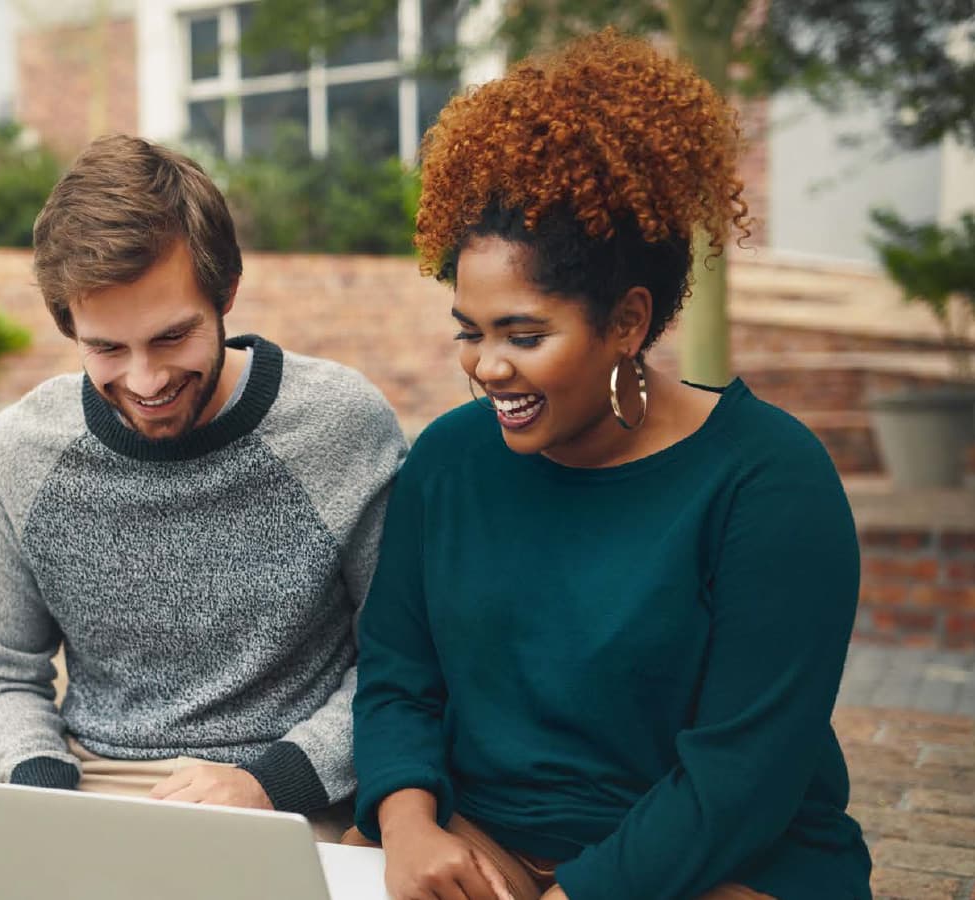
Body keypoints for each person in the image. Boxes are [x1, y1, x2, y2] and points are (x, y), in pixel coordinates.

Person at [350, 30, 871, 900]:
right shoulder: (448, 460)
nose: (486, 367)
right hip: (490, 839)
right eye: (468, 332)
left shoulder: (769, 481)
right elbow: (399, 676)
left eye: (524, 335)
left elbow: (741, 774)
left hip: (720, 864)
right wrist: (406, 825)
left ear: (628, 322)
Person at [0, 134, 405, 881]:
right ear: (68, 325)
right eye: (106, 350)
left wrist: (270, 782)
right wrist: (43, 798)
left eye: (172, 336)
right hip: (92, 787)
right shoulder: (19, 454)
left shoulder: (340, 426)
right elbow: (2, 672)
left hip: (292, 794)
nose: (147, 379)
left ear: (226, 293)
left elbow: (401, 662)